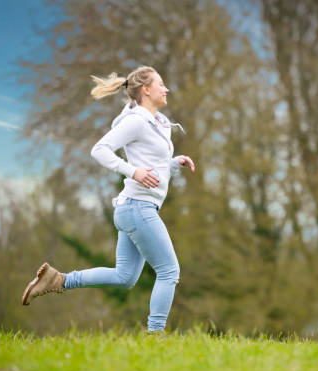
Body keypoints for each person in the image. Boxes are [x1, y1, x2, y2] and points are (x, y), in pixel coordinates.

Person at [21, 66, 195, 333]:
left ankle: (59, 280)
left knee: (124, 277)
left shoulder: (156, 121)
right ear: (146, 90)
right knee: (169, 271)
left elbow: (149, 161)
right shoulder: (136, 120)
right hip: (138, 208)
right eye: (161, 84)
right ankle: (155, 337)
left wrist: (174, 163)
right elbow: (99, 150)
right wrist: (132, 171)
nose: (166, 88)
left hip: (133, 208)